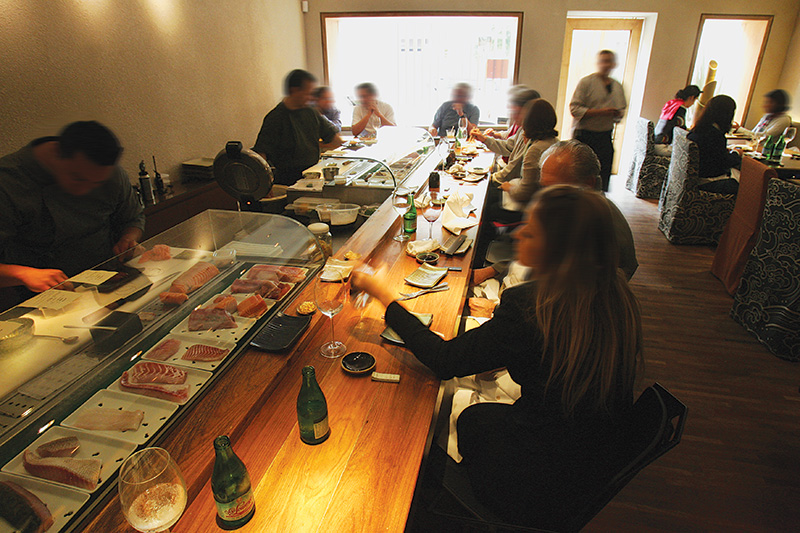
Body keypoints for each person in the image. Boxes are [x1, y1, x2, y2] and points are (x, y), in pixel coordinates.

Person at [352, 185, 643, 528]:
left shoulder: (534, 306)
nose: (518, 232)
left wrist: (384, 296)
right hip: (583, 468)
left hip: (533, 484)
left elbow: (444, 361)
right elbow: (547, 356)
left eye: (531, 231)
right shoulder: (614, 294)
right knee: (476, 413)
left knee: (454, 419)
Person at [0, 121, 145, 310]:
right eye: (78, 178)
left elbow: (132, 218)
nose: (85, 189)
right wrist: (23, 274)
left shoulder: (110, 174)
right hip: (47, 300)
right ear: (56, 154)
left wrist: (128, 239)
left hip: (112, 284)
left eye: (96, 183)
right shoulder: (8, 182)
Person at [472, 139, 639, 288]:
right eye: (543, 187)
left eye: (554, 188)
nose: (545, 197)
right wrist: (493, 269)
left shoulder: (594, 227)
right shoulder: (575, 209)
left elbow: (557, 286)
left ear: (588, 183)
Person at [253, 69, 343, 185]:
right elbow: (261, 154)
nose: (311, 98)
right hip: (287, 179)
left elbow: (334, 138)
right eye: (308, 93)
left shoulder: (312, 112)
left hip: (313, 174)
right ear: (294, 90)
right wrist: (265, 183)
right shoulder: (276, 117)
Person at [570, 50, 627, 192]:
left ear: (614, 64)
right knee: (581, 172)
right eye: (603, 61)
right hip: (585, 134)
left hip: (605, 134)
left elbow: (621, 111)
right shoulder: (586, 82)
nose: (606, 65)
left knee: (603, 171)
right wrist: (601, 112)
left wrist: (616, 114)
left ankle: (599, 199)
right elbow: (574, 109)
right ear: (598, 63)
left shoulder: (617, 86)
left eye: (609, 61)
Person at [688, 95, 741, 195]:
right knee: (746, 185)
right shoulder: (715, 135)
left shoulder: (697, 129)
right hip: (706, 180)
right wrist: (736, 154)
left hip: (694, 177)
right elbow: (721, 164)